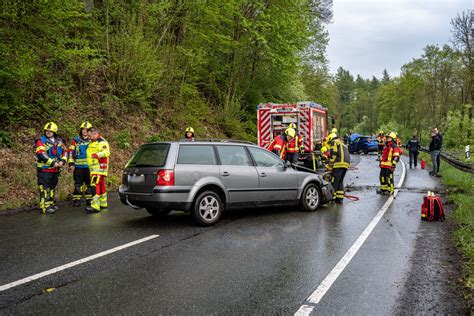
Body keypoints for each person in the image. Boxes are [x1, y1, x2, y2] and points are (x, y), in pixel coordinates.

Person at [35, 122, 68, 214]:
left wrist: (63, 161)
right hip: (44, 169)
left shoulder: (59, 141)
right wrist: (53, 163)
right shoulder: (40, 141)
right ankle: (44, 206)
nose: (48, 132)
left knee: (52, 187)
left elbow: (65, 151)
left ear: (55, 132)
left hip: (55, 169)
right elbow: (41, 154)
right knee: (44, 188)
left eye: (51, 131)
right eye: (47, 131)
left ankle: (50, 204)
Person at [85, 127, 110, 213]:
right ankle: (103, 203)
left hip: (98, 168)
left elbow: (106, 152)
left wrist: (97, 155)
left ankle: (95, 206)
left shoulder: (101, 141)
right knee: (101, 185)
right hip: (95, 169)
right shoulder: (93, 142)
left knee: (94, 185)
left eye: (90, 136)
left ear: (95, 134)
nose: (89, 137)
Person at [68, 122, 93, 207]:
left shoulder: (93, 140)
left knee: (89, 183)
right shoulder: (75, 140)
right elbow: (71, 152)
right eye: (83, 129)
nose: (84, 131)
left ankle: (89, 199)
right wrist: (71, 164)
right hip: (78, 167)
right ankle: (76, 199)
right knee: (78, 183)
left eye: (86, 129)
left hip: (89, 167)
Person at [326, 132, 350, 204]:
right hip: (346, 164)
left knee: (335, 181)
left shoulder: (334, 142)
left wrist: (329, 168)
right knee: (340, 181)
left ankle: (331, 198)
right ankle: (339, 199)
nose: (330, 144)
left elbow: (333, 155)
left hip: (338, 164)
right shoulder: (342, 143)